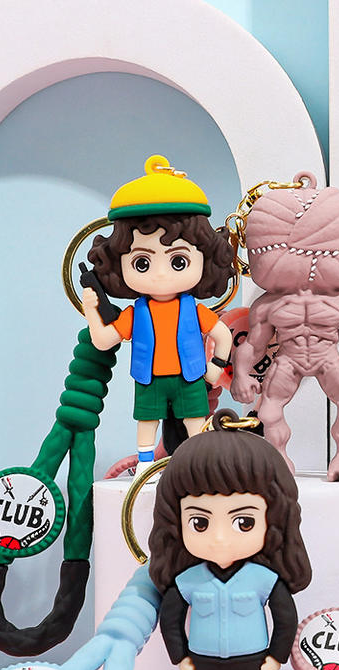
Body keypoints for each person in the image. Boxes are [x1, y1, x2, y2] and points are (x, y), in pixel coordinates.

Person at [148, 420, 312, 670]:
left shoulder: (263, 578)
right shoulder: (188, 579)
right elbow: (170, 619)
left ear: (272, 518)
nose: (220, 538)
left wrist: (276, 655)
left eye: (243, 522)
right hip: (203, 662)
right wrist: (180, 656)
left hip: (253, 661)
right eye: (200, 523)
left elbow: (286, 617)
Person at [81, 155, 235, 471]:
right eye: (142, 263)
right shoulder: (135, 313)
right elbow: (103, 340)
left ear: (204, 258)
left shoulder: (193, 309)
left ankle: (197, 464)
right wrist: (91, 310)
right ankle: (146, 465)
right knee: (147, 423)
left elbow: (222, 335)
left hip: (189, 377)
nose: (161, 274)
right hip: (149, 379)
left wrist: (216, 367)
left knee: (195, 421)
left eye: (178, 261)